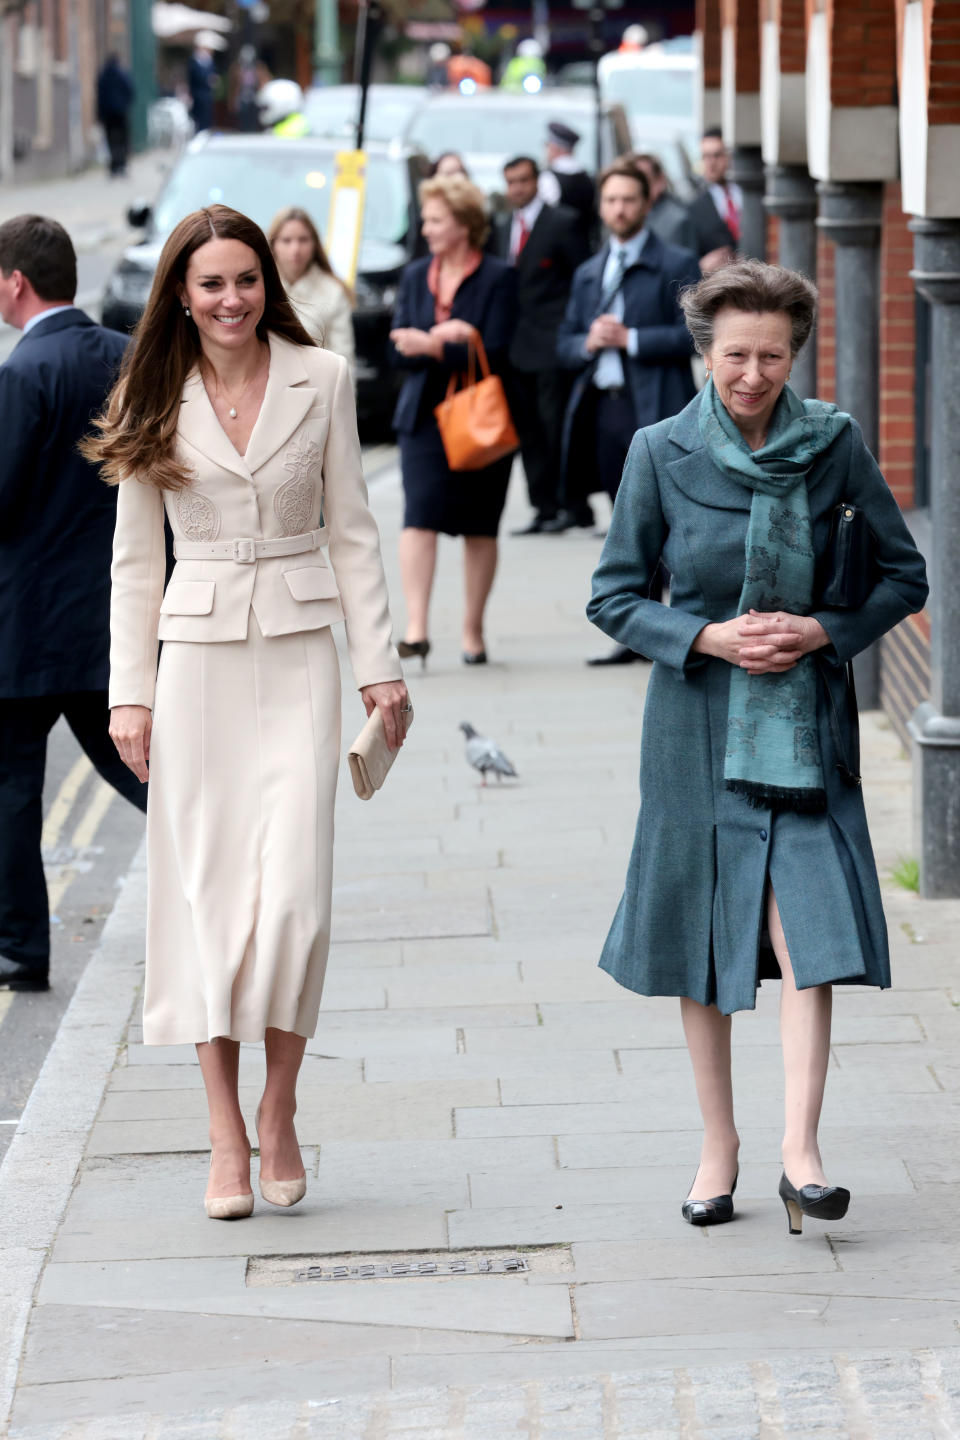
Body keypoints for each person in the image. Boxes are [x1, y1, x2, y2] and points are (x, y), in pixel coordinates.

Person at [587, 260, 928, 1233]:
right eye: (735, 355)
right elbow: (612, 596)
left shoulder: (835, 444)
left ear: (797, 354)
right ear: (705, 351)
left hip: (805, 727)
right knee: (703, 942)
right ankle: (718, 1147)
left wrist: (822, 632)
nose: (751, 374)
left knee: (809, 937)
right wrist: (707, 636)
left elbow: (902, 577)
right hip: (695, 726)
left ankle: (801, 1152)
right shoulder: (659, 450)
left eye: (771, 356)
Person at [83, 204, 408, 1219]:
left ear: (270, 284)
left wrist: (382, 666)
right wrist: (127, 694)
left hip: (304, 653)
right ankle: (224, 1131)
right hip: (197, 665)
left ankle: (281, 1109)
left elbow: (353, 528)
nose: (232, 299)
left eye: (247, 280)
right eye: (212, 283)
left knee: (296, 907)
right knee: (209, 909)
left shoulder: (323, 380)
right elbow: (136, 561)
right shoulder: (148, 389)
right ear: (180, 291)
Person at [0, 215, 145, 994]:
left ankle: (23, 948)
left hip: (25, 627)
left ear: (15, 282)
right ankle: (239, 879)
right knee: (146, 771)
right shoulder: (124, 358)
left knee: (13, 790)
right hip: (110, 618)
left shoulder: (24, 374)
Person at [555, 160, 700, 663]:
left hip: (656, 408)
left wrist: (631, 338)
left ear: (646, 204)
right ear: (601, 205)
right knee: (627, 522)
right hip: (604, 409)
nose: (620, 209)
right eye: (611, 200)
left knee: (667, 519)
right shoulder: (589, 272)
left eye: (629, 200)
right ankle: (639, 628)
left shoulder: (676, 261)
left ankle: (671, 627)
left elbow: (695, 335)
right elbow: (564, 341)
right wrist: (587, 343)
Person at [389, 174, 517, 666]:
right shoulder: (415, 273)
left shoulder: (498, 277)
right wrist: (437, 345)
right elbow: (397, 347)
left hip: (481, 416)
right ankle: (417, 628)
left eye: (436, 220)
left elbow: (501, 349)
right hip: (422, 416)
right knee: (418, 516)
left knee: (479, 525)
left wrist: (435, 345)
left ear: (463, 225)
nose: (426, 228)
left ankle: (472, 630)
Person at [491, 155, 588, 533]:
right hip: (514, 348)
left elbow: (581, 278)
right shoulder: (501, 228)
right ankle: (543, 507)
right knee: (527, 430)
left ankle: (572, 505)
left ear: (536, 181)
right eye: (510, 181)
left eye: (523, 180)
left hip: (551, 345)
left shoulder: (561, 222)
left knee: (555, 427)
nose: (517, 188)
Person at [268, 206, 355, 381]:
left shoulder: (333, 291)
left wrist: (346, 405)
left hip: (317, 392)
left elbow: (344, 360)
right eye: (287, 240)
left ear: (315, 243)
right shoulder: (260, 287)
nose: (295, 249)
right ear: (273, 244)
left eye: (303, 240)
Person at [631, 151, 734, 272]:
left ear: (660, 181)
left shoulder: (675, 221)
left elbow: (676, 274)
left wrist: (698, 268)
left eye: (643, 180)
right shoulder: (636, 218)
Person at [690, 127, 741, 269]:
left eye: (717, 155)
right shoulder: (694, 207)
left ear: (730, 156)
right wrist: (702, 266)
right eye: (705, 157)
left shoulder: (751, 195)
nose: (711, 163)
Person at [539, 122, 596, 244]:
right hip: (584, 244)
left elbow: (543, 217)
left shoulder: (548, 178)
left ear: (555, 148)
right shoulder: (587, 177)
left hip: (557, 246)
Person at [96, 53, 135, 177]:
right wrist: (125, 105)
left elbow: (99, 96)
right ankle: (122, 164)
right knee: (122, 139)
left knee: (111, 139)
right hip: (120, 113)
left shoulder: (103, 76)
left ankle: (114, 165)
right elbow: (130, 90)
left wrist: (100, 113)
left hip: (108, 114)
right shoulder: (121, 74)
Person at [187, 42, 216, 134]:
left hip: (206, 95)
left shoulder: (209, 62)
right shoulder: (194, 62)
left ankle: (205, 131)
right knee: (198, 116)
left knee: (206, 115)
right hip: (197, 94)